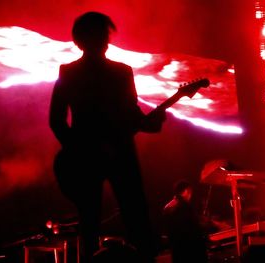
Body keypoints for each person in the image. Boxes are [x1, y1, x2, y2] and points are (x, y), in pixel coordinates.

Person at [49, 11, 166, 263]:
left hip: (96, 154)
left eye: (104, 34)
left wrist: (77, 149)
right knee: (129, 216)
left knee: (94, 219)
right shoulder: (118, 73)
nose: (104, 39)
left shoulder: (75, 73)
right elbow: (56, 120)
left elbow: (57, 121)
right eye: (101, 34)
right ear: (84, 39)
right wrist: (81, 150)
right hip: (116, 152)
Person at [162, 180, 209, 263]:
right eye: (190, 192)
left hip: (176, 250)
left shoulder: (167, 207)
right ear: (187, 191)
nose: (190, 196)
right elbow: (194, 228)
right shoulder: (184, 205)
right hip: (190, 251)